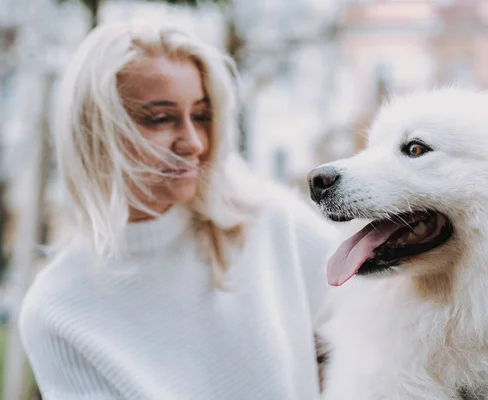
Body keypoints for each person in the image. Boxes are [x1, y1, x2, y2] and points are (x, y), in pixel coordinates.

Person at [19, 18, 339, 400]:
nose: (193, 142)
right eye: (160, 118)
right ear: (97, 129)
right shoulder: (57, 307)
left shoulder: (269, 222)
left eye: (201, 115)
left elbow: (390, 322)